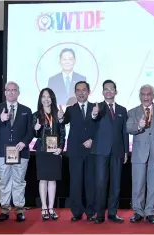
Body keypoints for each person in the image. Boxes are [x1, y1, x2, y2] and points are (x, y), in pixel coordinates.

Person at [0, 81, 33, 222]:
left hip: (21, 152)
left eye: (14, 90)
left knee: (19, 181)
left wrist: (24, 142)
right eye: (8, 90)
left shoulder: (26, 110)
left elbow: (30, 131)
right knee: (4, 181)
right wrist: (0, 118)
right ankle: (5, 210)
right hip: (1, 152)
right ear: (5, 92)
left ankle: (19, 210)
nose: (11, 92)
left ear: (18, 92)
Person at [126, 84, 154, 224]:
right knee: (138, 183)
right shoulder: (132, 112)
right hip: (139, 153)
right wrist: (139, 126)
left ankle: (150, 211)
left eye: (149, 94)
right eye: (143, 94)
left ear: (153, 96)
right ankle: (138, 211)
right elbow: (128, 128)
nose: (146, 97)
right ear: (140, 96)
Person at [91, 80, 129, 224]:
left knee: (116, 184)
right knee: (100, 183)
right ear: (102, 92)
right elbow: (92, 120)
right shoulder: (97, 108)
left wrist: (126, 150)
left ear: (115, 91)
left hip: (118, 151)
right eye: (105, 89)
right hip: (101, 151)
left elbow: (124, 132)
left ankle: (113, 213)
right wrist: (94, 114)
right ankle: (99, 214)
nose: (108, 91)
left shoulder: (122, 110)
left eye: (111, 89)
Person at [58, 81, 96, 222]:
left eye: (84, 90)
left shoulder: (96, 108)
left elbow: (99, 128)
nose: (81, 93)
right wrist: (61, 117)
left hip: (92, 151)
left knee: (90, 182)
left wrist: (92, 140)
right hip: (75, 151)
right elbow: (63, 121)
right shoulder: (71, 109)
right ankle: (77, 212)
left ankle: (91, 211)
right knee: (76, 182)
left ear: (89, 91)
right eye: (78, 90)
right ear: (75, 92)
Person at [33, 88, 65, 220]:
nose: (46, 99)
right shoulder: (36, 115)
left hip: (55, 151)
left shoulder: (58, 114)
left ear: (52, 99)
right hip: (42, 150)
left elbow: (63, 133)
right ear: (40, 99)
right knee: (43, 179)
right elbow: (33, 134)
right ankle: (44, 207)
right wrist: (35, 130)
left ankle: (51, 208)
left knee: (53, 180)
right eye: (43, 96)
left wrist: (61, 147)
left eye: (48, 96)